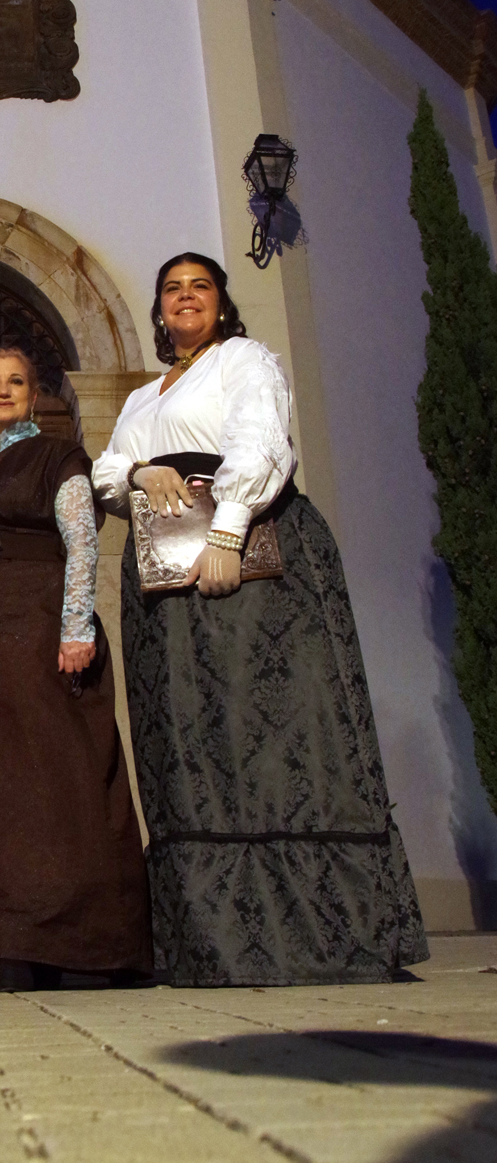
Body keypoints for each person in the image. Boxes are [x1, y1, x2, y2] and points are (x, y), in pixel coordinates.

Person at [92, 253, 428, 987]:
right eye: (173, 289)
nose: (185, 297)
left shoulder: (244, 359)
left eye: (200, 286)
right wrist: (140, 471)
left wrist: (227, 531)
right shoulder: (143, 396)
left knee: (270, 726)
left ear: (220, 302)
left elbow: (261, 439)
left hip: (250, 552)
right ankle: (212, 940)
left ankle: (317, 934)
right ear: (159, 309)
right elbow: (107, 470)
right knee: (192, 731)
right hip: (163, 573)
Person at [0, 346, 152, 991]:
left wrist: (76, 627)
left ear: (33, 395)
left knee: (61, 777)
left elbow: (82, 541)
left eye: (16, 382)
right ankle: (10, 946)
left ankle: (94, 945)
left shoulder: (58, 458)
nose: (3, 391)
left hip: (43, 630)